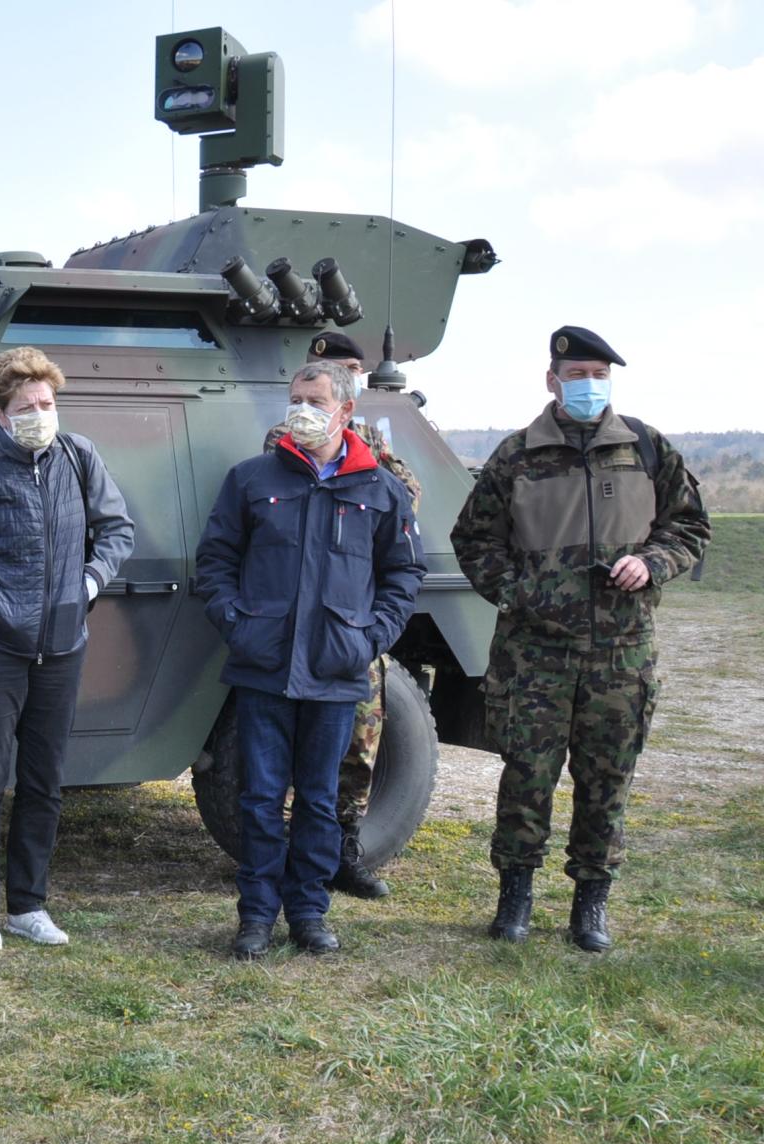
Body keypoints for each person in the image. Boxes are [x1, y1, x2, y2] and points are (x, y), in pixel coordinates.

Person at [450, 326, 709, 951]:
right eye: (577, 374)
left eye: (598, 374)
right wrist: (518, 593)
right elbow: (474, 542)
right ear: (552, 380)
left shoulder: (646, 449)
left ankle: (591, 902)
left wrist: (653, 562)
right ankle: (515, 895)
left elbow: (689, 527)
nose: (588, 385)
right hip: (533, 654)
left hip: (621, 653)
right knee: (526, 779)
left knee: (607, 780)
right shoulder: (516, 456)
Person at [194, 360, 424, 958]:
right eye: (295, 397)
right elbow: (215, 563)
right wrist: (238, 626)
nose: (301, 408)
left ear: (345, 410)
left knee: (321, 800)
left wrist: (369, 637)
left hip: (336, 671)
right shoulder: (251, 479)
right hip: (264, 667)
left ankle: (308, 914)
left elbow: (402, 574)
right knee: (261, 798)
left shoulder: (379, 488)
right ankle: (255, 918)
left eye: (314, 399)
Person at [0, 347, 134, 951]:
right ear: (0, 413)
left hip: (64, 644)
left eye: (47, 403)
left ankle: (30, 905)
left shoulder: (78, 455)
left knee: (45, 779)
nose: (41, 414)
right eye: (27, 406)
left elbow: (117, 529)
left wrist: (89, 583)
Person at [294, 332, 421, 900]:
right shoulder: (297, 429)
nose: (345, 379)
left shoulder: (371, 437)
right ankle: (291, 859)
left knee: (360, 741)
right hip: (303, 623)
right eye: (331, 370)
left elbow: (406, 493)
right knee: (296, 754)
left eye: (350, 370)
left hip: (357, 618)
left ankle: (344, 850)